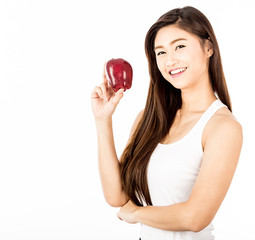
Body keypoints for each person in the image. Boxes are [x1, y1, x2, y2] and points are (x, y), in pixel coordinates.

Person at [91, 6, 243, 240]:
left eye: (180, 46)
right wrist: (103, 120)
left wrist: (138, 213)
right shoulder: (148, 119)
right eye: (160, 52)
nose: (169, 60)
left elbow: (195, 217)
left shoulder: (222, 127)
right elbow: (117, 196)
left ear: (208, 47)